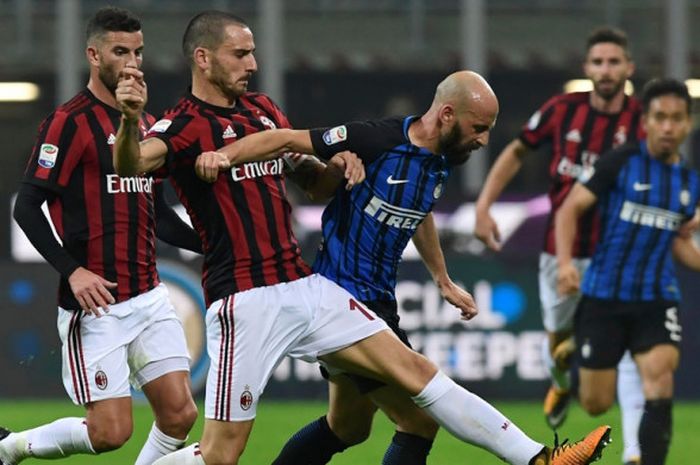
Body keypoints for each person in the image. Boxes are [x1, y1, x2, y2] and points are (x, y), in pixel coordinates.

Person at [114, 11, 611, 465]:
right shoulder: (179, 125)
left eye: (252, 52)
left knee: (418, 377)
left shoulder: (262, 110)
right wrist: (131, 120)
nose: (253, 63)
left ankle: (540, 459)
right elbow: (132, 164)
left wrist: (335, 166)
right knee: (222, 456)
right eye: (240, 54)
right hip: (244, 300)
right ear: (203, 58)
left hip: (304, 285)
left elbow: (312, 179)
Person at [195, 79, 484, 465]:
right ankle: (533, 455)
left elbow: (419, 211)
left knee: (348, 426)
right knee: (418, 419)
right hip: (346, 299)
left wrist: (442, 279)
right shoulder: (377, 138)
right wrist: (224, 156)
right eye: (480, 128)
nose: (483, 140)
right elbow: (288, 139)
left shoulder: (435, 162)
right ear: (448, 114)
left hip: (373, 296)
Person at [0, 7, 200, 465]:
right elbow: (27, 206)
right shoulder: (68, 123)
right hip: (97, 303)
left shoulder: (144, 125)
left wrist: (217, 246)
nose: (132, 63)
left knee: (179, 415)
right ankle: (9, 448)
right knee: (111, 433)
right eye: (120, 52)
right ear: (93, 55)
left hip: (149, 294)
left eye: (138, 52)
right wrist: (72, 272)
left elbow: (161, 218)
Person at [474, 27, 646, 463]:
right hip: (560, 251)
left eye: (614, 62)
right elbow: (516, 151)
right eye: (598, 62)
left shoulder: (642, 121)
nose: (606, 70)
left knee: (625, 349)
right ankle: (561, 380)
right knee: (558, 344)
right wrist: (484, 206)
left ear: (629, 68)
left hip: (617, 252)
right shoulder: (562, 110)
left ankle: (636, 451)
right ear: (587, 68)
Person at [555, 78, 700, 465]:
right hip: (604, 296)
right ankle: (571, 355)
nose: (668, 127)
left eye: (677, 119)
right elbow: (570, 209)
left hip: (657, 297)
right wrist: (566, 264)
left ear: (688, 124)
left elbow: (680, 241)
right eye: (660, 118)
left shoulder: (689, 182)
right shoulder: (621, 162)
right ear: (647, 122)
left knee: (660, 376)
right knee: (596, 403)